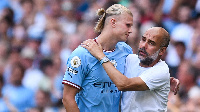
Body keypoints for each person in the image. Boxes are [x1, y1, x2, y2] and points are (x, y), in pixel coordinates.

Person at [62, 4, 179, 112]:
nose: (131, 30)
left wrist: (165, 80)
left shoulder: (125, 51)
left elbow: (136, 75)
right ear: (113, 22)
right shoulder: (82, 54)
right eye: (128, 25)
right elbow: (67, 99)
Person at [81, 27, 175, 112]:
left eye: (151, 43)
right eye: (143, 40)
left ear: (162, 51)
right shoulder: (130, 59)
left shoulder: (161, 71)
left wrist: (100, 56)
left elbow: (124, 84)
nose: (143, 45)